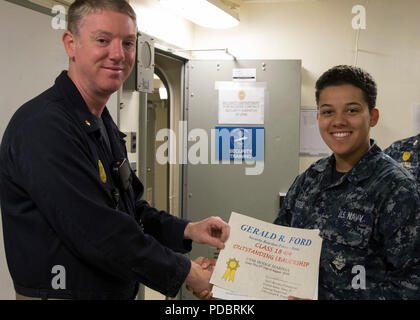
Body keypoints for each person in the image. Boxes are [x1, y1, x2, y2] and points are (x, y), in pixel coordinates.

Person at [0, 0, 229, 300]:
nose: (119, 54)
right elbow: (98, 231)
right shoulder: (44, 127)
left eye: (128, 43)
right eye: (103, 40)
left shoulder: (100, 123)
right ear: (71, 44)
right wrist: (188, 273)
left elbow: (131, 213)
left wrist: (187, 230)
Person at [274, 65, 420, 299]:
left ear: (372, 117)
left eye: (351, 110)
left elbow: (412, 285)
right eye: (328, 112)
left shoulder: (397, 189)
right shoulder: (310, 178)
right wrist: (228, 274)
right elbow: (278, 247)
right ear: (319, 117)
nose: (338, 121)